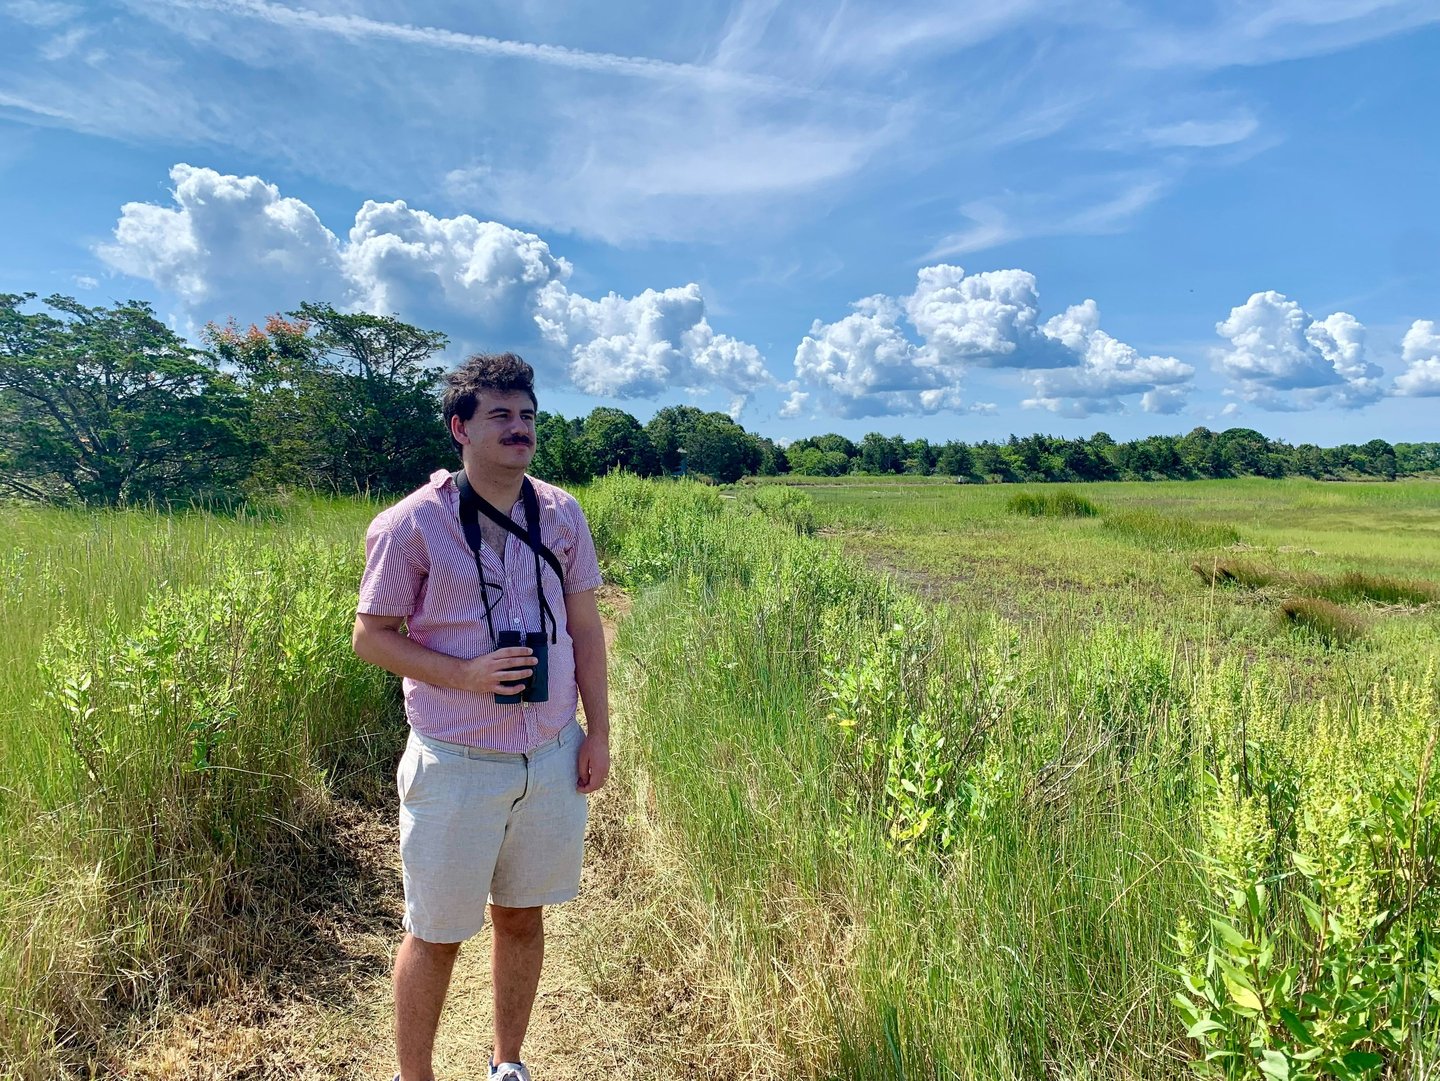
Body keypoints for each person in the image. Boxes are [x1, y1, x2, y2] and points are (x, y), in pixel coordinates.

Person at [352, 352, 610, 1081]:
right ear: (460, 428)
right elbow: (370, 635)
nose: (519, 428)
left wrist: (599, 730)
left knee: (523, 916)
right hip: (457, 759)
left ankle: (508, 1063)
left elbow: (586, 627)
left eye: (527, 415)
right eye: (501, 415)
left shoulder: (561, 513)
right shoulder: (413, 524)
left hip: (551, 751)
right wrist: (465, 674)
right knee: (434, 933)